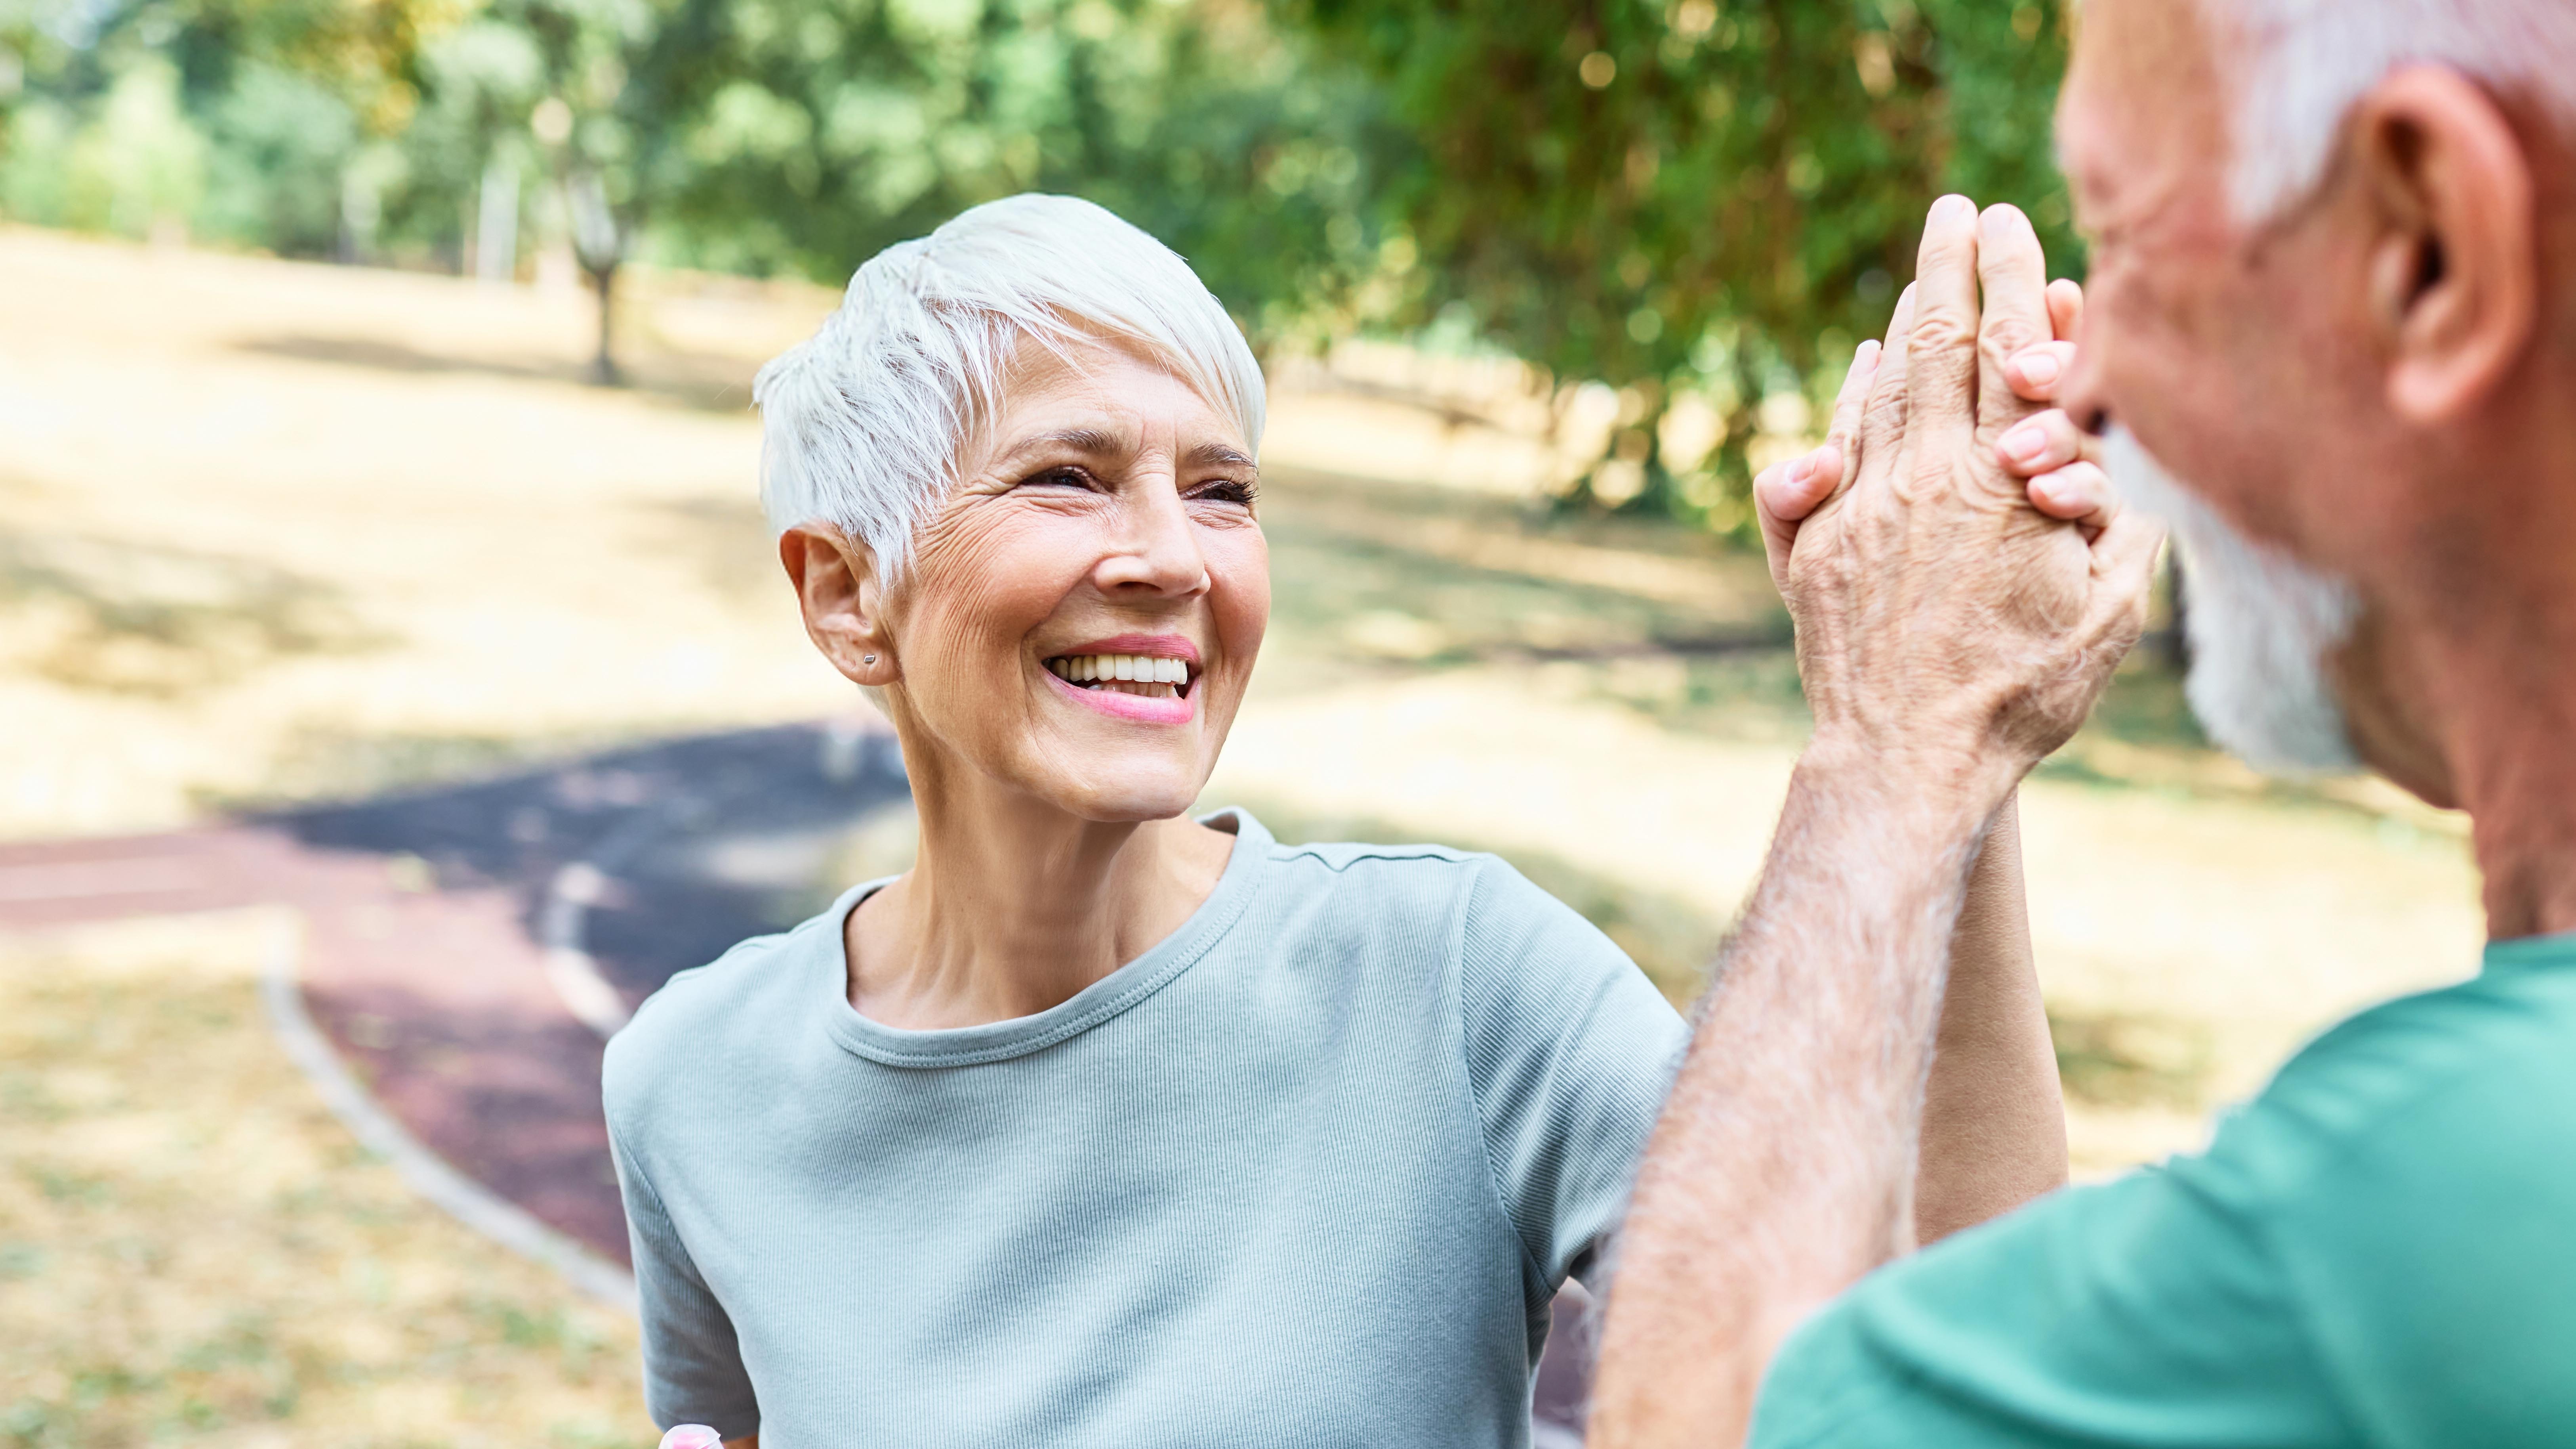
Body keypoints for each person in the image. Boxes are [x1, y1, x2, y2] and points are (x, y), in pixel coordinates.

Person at [599, 193, 2096, 1447]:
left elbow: (1939, 1361)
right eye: (1068, 476)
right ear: (845, 592)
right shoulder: (693, 1082)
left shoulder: (1453, 976)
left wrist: (1951, 712)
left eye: (1222, 489)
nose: (1173, 556)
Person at [1589, 0, 2576, 1444]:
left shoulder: (2476, 1179)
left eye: (2121, 236)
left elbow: (1708, 1421)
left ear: (2433, 255)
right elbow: (1970, 1356)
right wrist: (1964, 739)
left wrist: (1894, 734)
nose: (2088, 384)